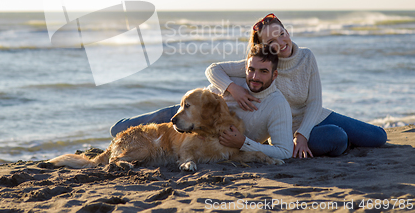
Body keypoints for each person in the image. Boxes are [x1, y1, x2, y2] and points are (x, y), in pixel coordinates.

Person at [206, 13, 387, 158]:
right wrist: (232, 88)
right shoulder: (265, 67)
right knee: (338, 138)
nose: (280, 43)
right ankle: (343, 141)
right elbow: (213, 70)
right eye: (271, 42)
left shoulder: (307, 57)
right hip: (289, 130)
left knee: (379, 137)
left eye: (281, 34)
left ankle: (342, 140)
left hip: (316, 116)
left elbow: (314, 102)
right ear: (264, 47)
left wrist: (303, 135)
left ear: (287, 31)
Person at [111, 44, 294, 159]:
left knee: (143, 142)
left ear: (274, 74)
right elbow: (212, 69)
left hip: (199, 125)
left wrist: (243, 142)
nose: (254, 77)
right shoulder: (238, 80)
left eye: (263, 72)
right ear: (245, 68)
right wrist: (232, 88)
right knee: (124, 131)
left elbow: (285, 152)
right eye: (251, 70)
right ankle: (118, 133)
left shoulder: (277, 105)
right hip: (188, 111)